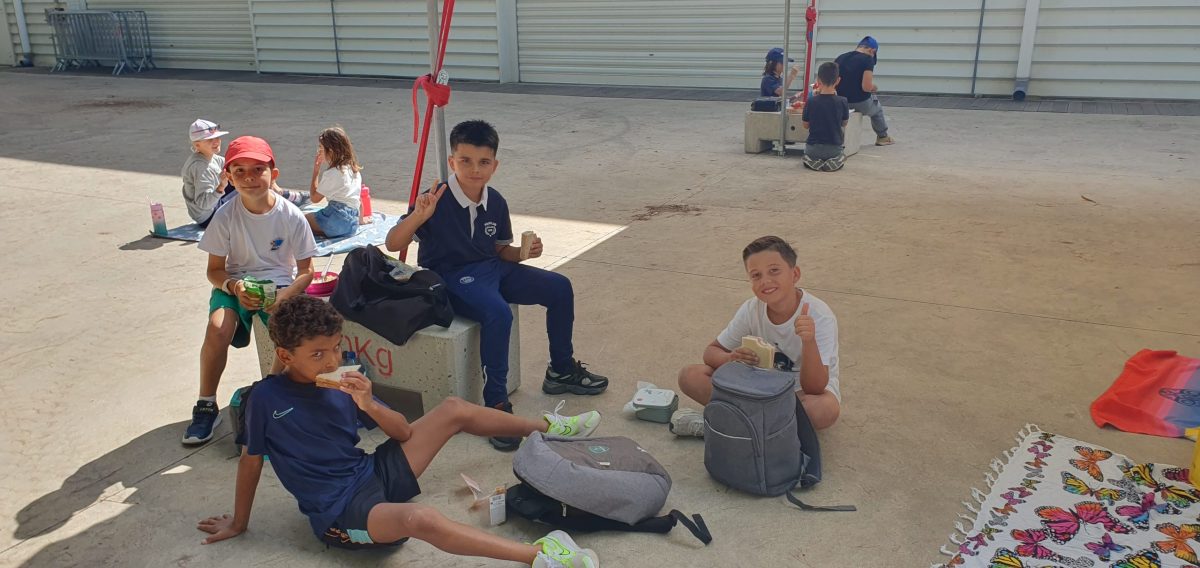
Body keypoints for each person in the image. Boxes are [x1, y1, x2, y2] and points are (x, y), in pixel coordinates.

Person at [197, 295, 602, 568]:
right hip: (340, 512)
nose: (331, 360)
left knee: (453, 409)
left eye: (336, 347)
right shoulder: (265, 399)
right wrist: (239, 522)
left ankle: (549, 428)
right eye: (317, 354)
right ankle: (539, 556)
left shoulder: (346, 380)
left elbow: (404, 432)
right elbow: (251, 462)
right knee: (419, 518)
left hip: (371, 472)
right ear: (285, 355)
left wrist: (369, 403)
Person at [385, 120, 610, 452]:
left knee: (560, 287)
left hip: (492, 268)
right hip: (451, 276)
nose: (475, 170)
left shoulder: (496, 201)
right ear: (452, 161)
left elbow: (500, 250)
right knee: (498, 313)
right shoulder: (434, 199)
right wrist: (419, 216)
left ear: (495, 165)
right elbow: (393, 243)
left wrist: (523, 253)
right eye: (465, 161)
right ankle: (496, 406)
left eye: (484, 162)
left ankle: (561, 370)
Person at [184, 136, 318, 445]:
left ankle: (271, 393)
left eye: (258, 169)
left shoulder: (291, 215)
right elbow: (214, 270)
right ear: (229, 178)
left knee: (292, 331)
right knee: (218, 328)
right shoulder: (225, 216)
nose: (249, 178)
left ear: (274, 174)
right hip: (235, 283)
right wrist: (234, 285)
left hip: (280, 286)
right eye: (240, 171)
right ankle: (206, 404)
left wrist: (285, 295)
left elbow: (307, 272)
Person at [673, 236, 841, 436]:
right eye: (756, 275)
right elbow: (711, 352)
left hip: (795, 395)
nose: (765, 281)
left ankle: (730, 427)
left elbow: (815, 388)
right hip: (755, 389)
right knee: (691, 376)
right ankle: (765, 431)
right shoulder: (752, 309)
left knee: (824, 408)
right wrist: (730, 358)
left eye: (774, 271)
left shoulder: (819, 315)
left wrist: (809, 341)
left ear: (795, 274)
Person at [834, 36, 895, 146]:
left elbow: (833, 81)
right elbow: (866, 87)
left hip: (841, 102)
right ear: (872, 50)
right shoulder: (867, 60)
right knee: (877, 109)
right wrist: (873, 87)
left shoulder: (840, 58)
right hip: (860, 102)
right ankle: (883, 137)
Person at [306, 126, 364, 238]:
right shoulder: (355, 170)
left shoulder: (332, 173)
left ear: (331, 151)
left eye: (321, 148)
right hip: (352, 224)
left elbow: (314, 198)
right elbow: (359, 200)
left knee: (300, 221)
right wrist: (361, 220)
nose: (319, 152)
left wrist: (316, 171)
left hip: (336, 219)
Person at [181, 119, 236, 227]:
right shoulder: (200, 167)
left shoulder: (211, 157)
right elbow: (204, 203)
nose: (216, 142)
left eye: (217, 137)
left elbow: (229, 164)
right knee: (247, 189)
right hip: (208, 216)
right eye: (210, 139)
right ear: (197, 145)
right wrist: (221, 186)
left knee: (243, 179)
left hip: (211, 207)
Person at [802, 62, 851, 172]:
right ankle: (836, 160)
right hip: (834, 148)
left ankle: (811, 159)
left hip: (813, 148)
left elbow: (805, 125)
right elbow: (844, 123)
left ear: (818, 80)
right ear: (838, 80)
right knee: (842, 154)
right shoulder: (843, 101)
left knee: (807, 154)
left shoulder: (811, 101)